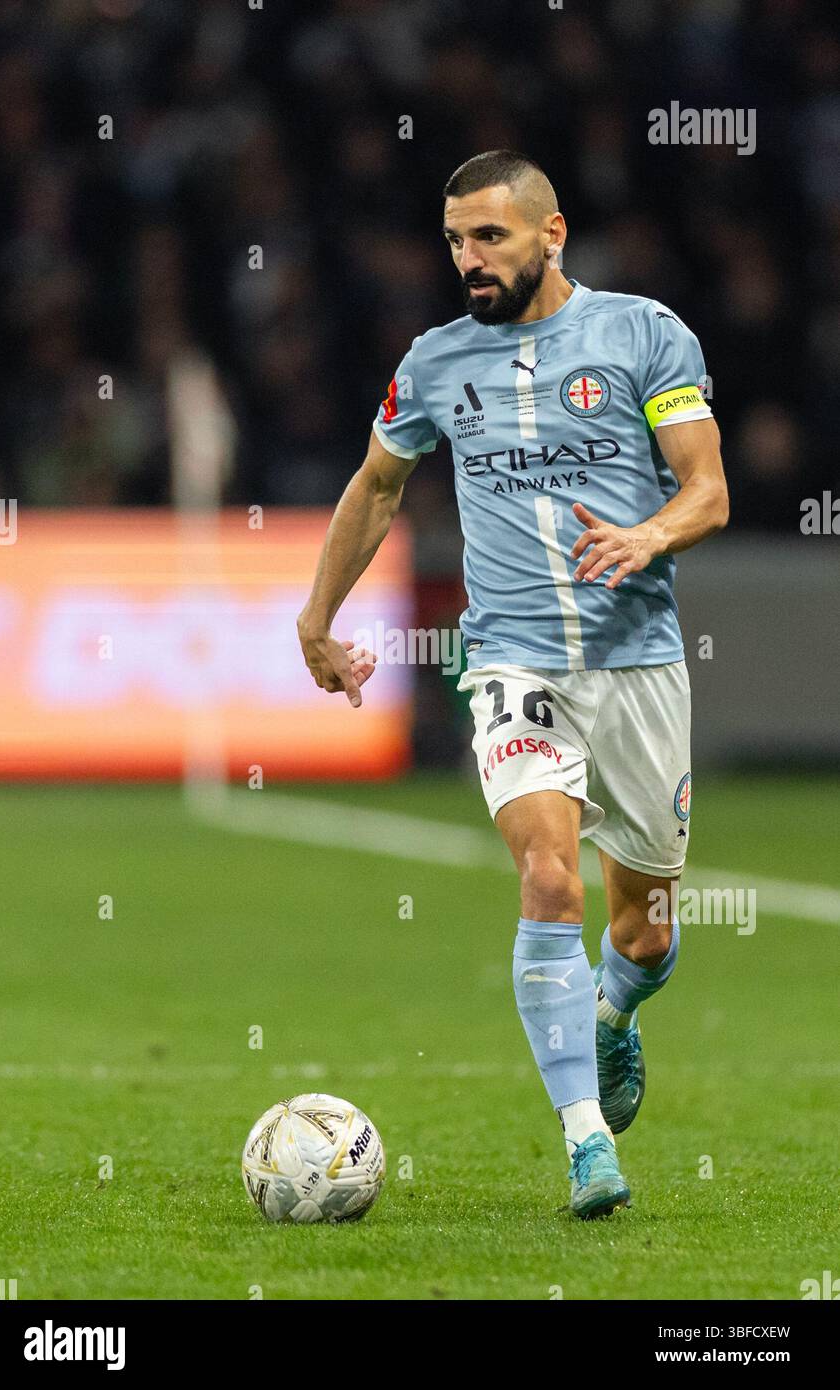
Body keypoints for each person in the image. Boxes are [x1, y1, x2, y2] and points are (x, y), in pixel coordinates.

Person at [297, 150, 729, 1218]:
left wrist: (647, 534)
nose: (467, 259)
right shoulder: (436, 361)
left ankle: (614, 1018)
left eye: (488, 236)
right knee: (547, 880)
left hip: (637, 664)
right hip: (509, 659)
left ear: (552, 232)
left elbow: (707, 489)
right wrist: (316, 619)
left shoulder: (641, 334)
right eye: (454, 240)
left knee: (643, 929)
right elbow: (376, 485)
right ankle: (587, 1145)